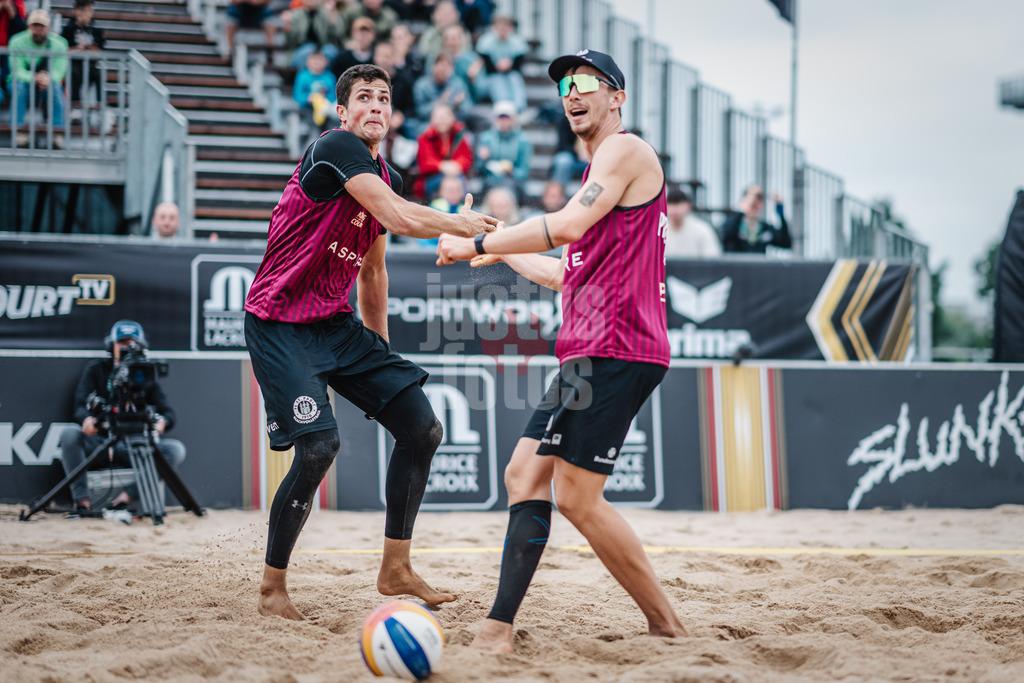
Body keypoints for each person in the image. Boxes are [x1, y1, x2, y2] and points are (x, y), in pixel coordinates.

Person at [436, 49, 689, 651]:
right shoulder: (599, 175)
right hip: (593, 348)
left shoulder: (625, 151)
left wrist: (476, 245)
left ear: (617, 97)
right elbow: (564, 271)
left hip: (618, 344)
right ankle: (499, 626)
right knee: (524, 473)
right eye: (565, 85)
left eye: (585, 82)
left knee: (577, 497)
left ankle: (667, 625)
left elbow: (568, 225)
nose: (572, 92)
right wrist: (498, 245)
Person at [243, 63, 498, 621]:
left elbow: (373, 272)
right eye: (364, 97)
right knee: (320, 447)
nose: (376, 105)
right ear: (342, 111)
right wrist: (462, 226)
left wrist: (378, 356)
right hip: (279, 323)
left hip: (335, 324)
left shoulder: (388, 176)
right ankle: (272, 589)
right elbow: (398, 217)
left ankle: (396, 567)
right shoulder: (334, 147)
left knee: (422, 427)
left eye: (384, 97)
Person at [58, 320, 187, 513]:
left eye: (132, 343)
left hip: (136, 444)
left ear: (141, 346)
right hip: (102, 441)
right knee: (69, 434)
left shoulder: (145, 373)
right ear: (111, 345)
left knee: (175, 450)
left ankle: (125, 499)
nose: (127, 348)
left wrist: (162, 422)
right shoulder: (97, 369)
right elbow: (80, 405)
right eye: (122, 343)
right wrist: (87, 420)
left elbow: (168, 413)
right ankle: (82, 503)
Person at [9, 9, 68, 148]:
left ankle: (57, 132)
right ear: (28, 27)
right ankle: (19, 131)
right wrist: (34, 78)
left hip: (46, 84)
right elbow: (16, 71)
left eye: (42, 26)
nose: (38, 30)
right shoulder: (17, 41)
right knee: (19, 86)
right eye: (35, 26)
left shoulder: (60, 43)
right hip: (23, 83)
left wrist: (47, 79)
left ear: (49, 27)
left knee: (55, 87)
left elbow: (59, 71)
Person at [414, 101, 473, 198]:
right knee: (452, 182)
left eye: (445, 117)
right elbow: (425, 164)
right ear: (432, 119)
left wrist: (456, 166)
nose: (442, 121)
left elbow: (466, 159)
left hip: (456, 175)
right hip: (432, 179)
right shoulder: (425, 137)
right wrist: (443, 166)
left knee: (459, 181)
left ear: (452, 118)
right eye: (439, 117)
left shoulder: (459, 135)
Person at [474, 100, 531, 201]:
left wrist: (512, 171)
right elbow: (479, 168)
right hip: (490, 180)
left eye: (507, 118)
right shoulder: (486, 138)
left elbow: (524, 171)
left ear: (513, 119)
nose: (504, 121)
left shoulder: (523, 140)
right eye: (501, 117)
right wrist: (482, 159)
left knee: (508, 187)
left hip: (513, 181)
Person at [474, 13, 527, 110]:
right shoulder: (485, 41)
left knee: (514, 78)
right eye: (499, 27)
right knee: (497, 79)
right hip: (490, 78)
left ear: (511, 28)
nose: (502, 30)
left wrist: (509, 65)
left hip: (509, 76)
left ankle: (518, 108)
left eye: (505, 27)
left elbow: (517, 67)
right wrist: (498, 66)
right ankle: (503, 108)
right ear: (493, 28)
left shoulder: (517, 41)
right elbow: (488, 69)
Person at [719, 184, 791, 253]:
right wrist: (743, 210)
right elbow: (726, 236)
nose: (755, 203)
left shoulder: (765, 228)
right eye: (752, 203)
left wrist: (780, 211)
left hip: (758, 262)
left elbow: (785, 242)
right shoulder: (734, 224)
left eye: (759, 199)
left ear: (762, 205)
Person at [60, 0, 103, 106]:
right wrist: (76, 49)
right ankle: (75, 104)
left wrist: (92, 49)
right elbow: (62, 49)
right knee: (74, 73)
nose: (85, 14)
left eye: (89, 10)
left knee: (99, 74)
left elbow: (101, 51)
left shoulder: (97, 31)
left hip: (91, 64)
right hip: (73, 64)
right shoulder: (68, 30)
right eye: (82, 10)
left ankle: (100, 104)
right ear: (76, 11)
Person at [282, 0, 346, 71]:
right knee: (306, 52)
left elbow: (338, 34)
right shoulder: (295, 15)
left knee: (331, 52)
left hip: (323, 47)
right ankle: (306, 76)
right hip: (302, 48)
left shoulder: (326, 13)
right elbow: (291, 42)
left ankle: (327, 77)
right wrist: (288, 26)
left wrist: (332, 17)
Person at [664, 187, 721, 258]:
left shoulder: (702, 230)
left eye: (678, 205)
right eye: (671, 205)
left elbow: (712, 258)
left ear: (688, 206)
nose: (674, 210)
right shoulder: (659, 232)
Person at [0, 0, 26, 107]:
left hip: (10, 50)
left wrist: (11, 10)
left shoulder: (18, 4)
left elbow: (20, 28)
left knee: (7, 78)